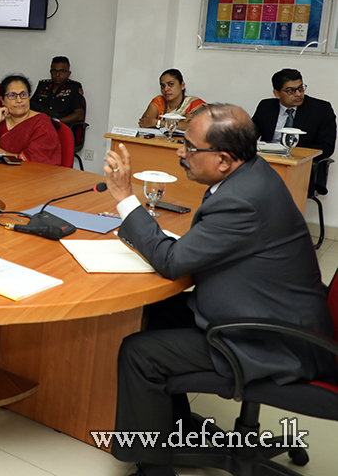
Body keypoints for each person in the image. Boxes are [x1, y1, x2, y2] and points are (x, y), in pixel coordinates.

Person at [102, 103, 337, 476]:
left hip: (274, 340)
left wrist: (124, 198)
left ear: (224, 160)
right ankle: (175, 426)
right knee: (159, 314)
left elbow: (172, 262)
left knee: (139, 352)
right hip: (278, 311)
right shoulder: (253, 173)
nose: (181, 152)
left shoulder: (240, 200)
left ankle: (153, 467)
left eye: (190, 147)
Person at [0, 74, 62, 165]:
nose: (19, 100)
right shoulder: (2, 119)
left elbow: (31, 161)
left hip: (34, 175)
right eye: (12, 95)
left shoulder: (41, 122)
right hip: (2, 173)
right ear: (2, 100)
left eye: (23, 95)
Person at [251, 68, 336, 159]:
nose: (298, 94)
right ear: (277, 94)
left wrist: (289, 153)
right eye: (290, 91)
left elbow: (326, 147)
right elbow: (248, 136)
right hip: (268, 162)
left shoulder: (321, 109)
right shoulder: (266, 107)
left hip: (303, 163)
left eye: (300, 88)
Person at [138, 69, 205, 130]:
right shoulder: (159, 101)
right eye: (162, 86)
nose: (166, 89)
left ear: (182, 85)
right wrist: (180, 124)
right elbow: (144, 123)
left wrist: (157, 123)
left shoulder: (194, 104)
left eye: (170, 84)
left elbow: (193, 127)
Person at [29, 56, 85, 125]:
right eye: (54, 71)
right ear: (51, 72)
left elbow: (79, 115)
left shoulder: (74, 87)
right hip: (40, 126)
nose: (57, 74)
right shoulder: (43, 85)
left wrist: (56, 121)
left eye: (62, 71)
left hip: (61, 127)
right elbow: (29, 108)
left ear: (69, 73)